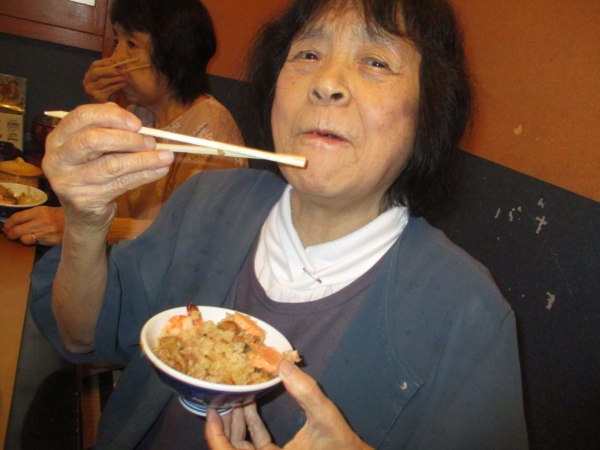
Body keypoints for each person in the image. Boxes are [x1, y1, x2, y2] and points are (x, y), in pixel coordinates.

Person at [29, 0, 529, 448]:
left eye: (376, 61)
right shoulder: (207, 203)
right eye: (308, 54)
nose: (326, 83)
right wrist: (86, 223)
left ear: (428, 113)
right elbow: (80, 336)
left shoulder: (469, 316)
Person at [3, 0, 245, 246]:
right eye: (117, 41)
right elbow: (97, 187)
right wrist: (101, 104)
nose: (115, 59)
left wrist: (78, 227)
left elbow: (192, 236)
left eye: (131, 44)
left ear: (176, 55)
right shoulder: (138, 115)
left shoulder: (210, 129)